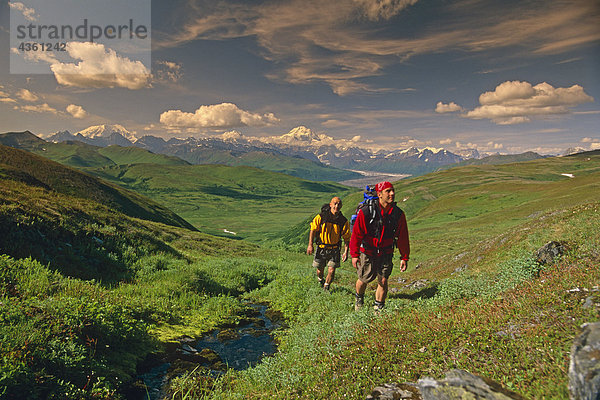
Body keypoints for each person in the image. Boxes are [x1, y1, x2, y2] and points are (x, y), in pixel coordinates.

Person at [350, 181, 410, 311]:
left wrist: (404, 257)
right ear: (379, 194)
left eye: (393, 190)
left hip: (386, 251)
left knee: (383, 280)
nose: (392, 193)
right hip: (367, 251)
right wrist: (354, 255)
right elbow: (356, 235)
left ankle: (379, 309)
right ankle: (359, 297)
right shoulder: (366, 212)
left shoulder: (398, 214)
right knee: (364, 279)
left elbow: (403, 237)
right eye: (388, 191)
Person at [307, 197, 350, 290]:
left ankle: (326, 287)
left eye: (339, 204)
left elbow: (346, 237)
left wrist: (346, 251)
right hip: (321, 247)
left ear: (341, 206)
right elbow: (313, 230)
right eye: (335, 204)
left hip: (334, 249)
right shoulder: (321, 217)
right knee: (320, 270)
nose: (337, 206)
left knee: (332, 270)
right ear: (330, 205)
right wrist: (310, 245)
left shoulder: (343, 221)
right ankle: (320, 279)